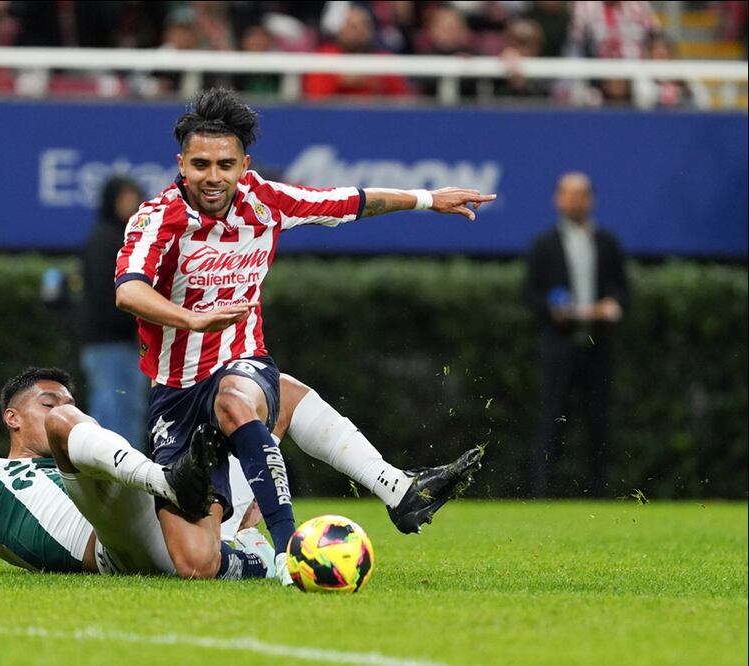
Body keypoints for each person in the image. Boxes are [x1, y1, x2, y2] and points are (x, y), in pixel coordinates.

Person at [110, 88, 492, 583]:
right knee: (195, 563)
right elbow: (128, 291)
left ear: (244, 164)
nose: (213, 177)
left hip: (242, 366)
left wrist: (428, 199)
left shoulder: (266, 201)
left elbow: (352, 201)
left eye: (225, 165)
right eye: (200, 164)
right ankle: (268, 543)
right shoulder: (157, 218)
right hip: (176, 394)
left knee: (236, 399)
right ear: (181, 164)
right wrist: (192, 320)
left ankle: (294, 549)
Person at [0, 367, 271, 577]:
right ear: (11, 418)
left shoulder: (88, 458)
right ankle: (192, 501)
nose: (63, 411)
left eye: (68, 404)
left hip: (153, 518)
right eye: (49, 403)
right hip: (112, 543)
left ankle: (255, 547)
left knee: (269, 391)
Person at [522, 172, 629, 498]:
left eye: (580, 194)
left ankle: (597, 492)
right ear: (557, 199)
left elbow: (623, 290)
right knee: (553, 418)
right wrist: (554, 313)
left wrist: (611, 306)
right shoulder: (544, 243)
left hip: (598, 344)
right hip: (560, 344)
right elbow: (530, 294)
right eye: (568, 194)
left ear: (591, 200)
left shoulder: (607, 242)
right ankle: (543, 492)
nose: (574, 201)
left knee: (598, 421)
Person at [79, 176, 149, 452]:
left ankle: (120, 483)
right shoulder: (104, 240)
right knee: (114, 412)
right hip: (110, 344)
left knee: (127, 411)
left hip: (125, 345)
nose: (131, 204)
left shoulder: (129, 239)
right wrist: (140, 320)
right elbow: (104, 297)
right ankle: (115, 482)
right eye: (124, 198)